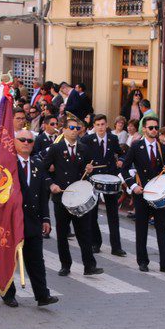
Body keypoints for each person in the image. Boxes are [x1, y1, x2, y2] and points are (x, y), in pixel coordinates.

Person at [3, 129, 58, 307]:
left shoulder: (37, 163)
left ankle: (42, 295)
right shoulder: (7, 165)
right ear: (15, 142)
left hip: (33, 220)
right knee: (10, 260)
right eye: (22, 140)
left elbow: (43, 194)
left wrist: (46, 218)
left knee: (36, 260)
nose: (26, 143)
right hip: (12, 219)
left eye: (29, 141)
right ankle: (8, 293)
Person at [43, 115, 103, 277]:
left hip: (79, 197)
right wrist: (51, 184)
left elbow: (89, 169)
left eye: (77, 128)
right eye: (71, 128)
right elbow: (43, 169)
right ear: (63, 130)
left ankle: (89, 265)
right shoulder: (55, 148)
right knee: (62, 233)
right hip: (61, 197)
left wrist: (90, 169)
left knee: (84, 232)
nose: (74, 131)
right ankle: (65, 265)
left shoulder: (84, 148)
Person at [125, 117, 165, 274]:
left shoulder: (161, 147)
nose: (154, 130)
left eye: (156, 127)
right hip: (142, 192)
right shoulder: (136, 146)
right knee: (141, 228)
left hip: (157, 192)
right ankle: (142, 261)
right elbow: (125, 168)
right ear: (144, 130)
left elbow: (162, 168)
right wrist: (133, 186)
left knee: (161, 227)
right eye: (151, 128)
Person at [81, 114, 125, 256]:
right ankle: (96, 242)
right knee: (92, 213)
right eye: (98, 124)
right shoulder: (87, 140)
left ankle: (116, 247)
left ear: (107, 125)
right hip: (93, 179)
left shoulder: (113, 138)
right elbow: (81, 157)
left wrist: (121, 160)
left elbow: (122, 153)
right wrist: (86, 166)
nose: (100, 127)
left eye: (103, 124)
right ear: (94, 126)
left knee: (113, 214)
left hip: (109, 179)